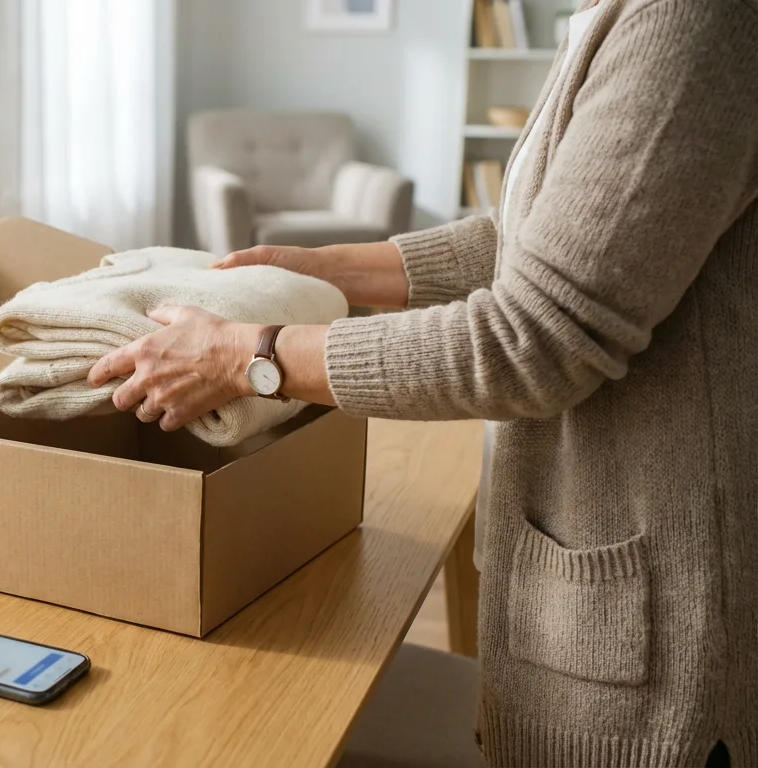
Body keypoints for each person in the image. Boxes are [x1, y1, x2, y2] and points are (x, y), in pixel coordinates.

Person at [87, 0, 758, 765]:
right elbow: (536, 235)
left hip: (656, 636)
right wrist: (320, 266)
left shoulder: (693, 17)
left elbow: (532, 340)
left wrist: (247, 357)